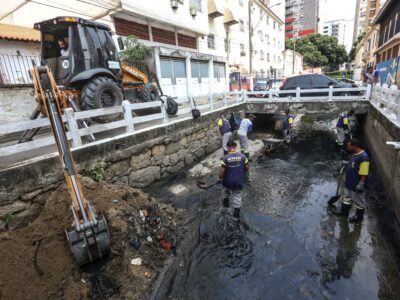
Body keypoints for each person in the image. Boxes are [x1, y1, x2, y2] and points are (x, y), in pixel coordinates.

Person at [335, 139, 369, 223]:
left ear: (355, 146)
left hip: (356, 184)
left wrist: (361, 184)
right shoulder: (355, 154)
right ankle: (344, 212)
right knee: (346, 198)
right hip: (349, 182)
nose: (347, 148)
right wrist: (346, 163)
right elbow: (353, 163)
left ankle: (358, 216)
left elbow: (364, 173)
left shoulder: (364, 157)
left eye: (348, 146)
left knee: (359, 202)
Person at [219, 140, 249, 219]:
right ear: (235, 147)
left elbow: (221, 173)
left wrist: (220, 178)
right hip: (238, 183)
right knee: (237, 198)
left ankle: (226, 209)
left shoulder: (224, 158)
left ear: (228, 148)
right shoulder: (243, 157)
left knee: (225, 195)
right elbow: (247, 168)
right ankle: (236, 215)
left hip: (227, 183)